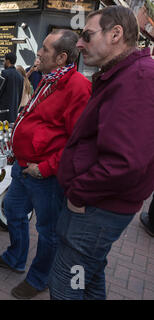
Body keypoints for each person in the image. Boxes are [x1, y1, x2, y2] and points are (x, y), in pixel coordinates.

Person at [49, 6, 154, 300]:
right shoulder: (124, 75)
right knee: (89, 274)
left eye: (87, 35)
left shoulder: (137, 78)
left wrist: (79, 194)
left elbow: (125, 162)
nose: (79, 44)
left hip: (95, 210)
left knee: (68, 281)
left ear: (116, 34)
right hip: (98, 208)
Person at [0, 29, 91, 300]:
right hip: (24, 166)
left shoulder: (78, 86)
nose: (39, 53)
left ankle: (39, 277)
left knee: (48, 230)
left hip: (45, 174)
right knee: (13, 209)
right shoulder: (48, 79)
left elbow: (76, 141)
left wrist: (44, 168)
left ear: (61, 57)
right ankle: (15, 258)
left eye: (45, 49)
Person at [0, 52, 24, 123]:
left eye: (4, 60)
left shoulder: (4, 73)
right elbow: (20, 95)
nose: (3, 63)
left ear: (8, 61)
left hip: (2, 111)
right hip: (13, 112)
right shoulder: (20, 76)